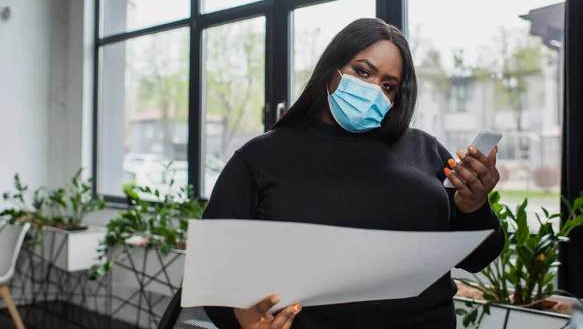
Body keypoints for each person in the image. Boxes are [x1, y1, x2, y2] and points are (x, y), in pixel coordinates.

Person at [202, 18, 505, 329]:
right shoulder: (258, 158)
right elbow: (213, 275)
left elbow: (478, 258)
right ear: (330, 71)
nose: (373, 89)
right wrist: (243, 321)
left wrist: (474, 207)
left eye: (388, 85)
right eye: (362, 71)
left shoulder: (425, 150)